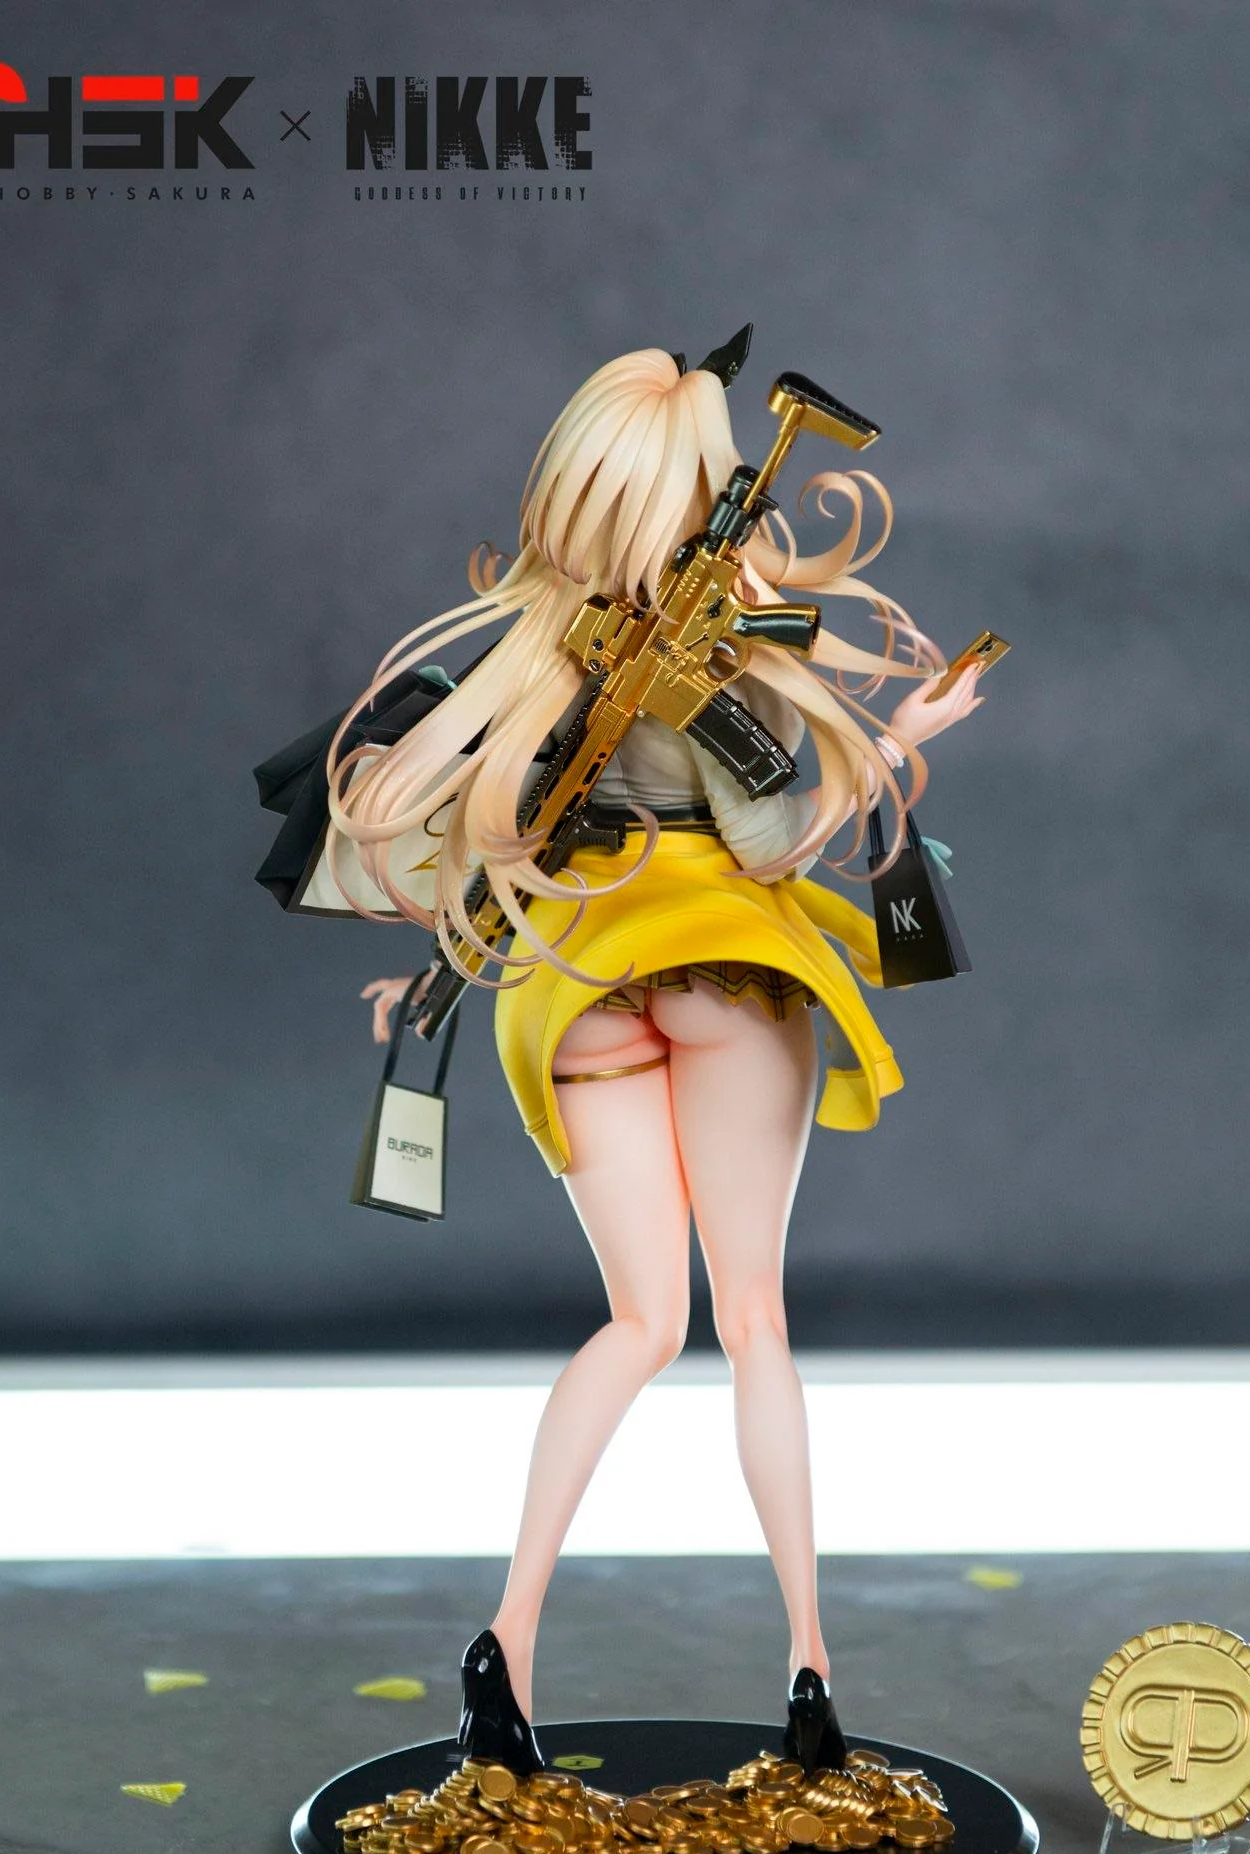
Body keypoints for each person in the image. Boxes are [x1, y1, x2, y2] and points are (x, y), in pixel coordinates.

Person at [323, 339, 987, 1776]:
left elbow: (503, 825)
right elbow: (773, 842)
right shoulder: (704, 657)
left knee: (638, 1324)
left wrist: (442, 961)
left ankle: (505, 1639)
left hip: (572, 984)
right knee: (750, 1320)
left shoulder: (528, 646)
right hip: (717, 961)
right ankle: (809, 1673)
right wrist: (898, 741)